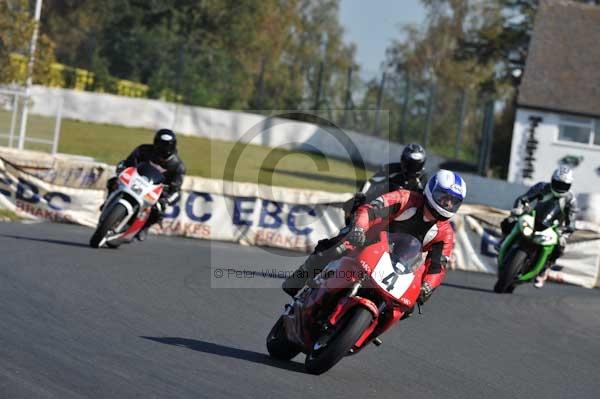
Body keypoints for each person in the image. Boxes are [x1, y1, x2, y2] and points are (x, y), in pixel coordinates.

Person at [282, 169, 466, 305]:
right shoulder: (405, 198)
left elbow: (437, 266)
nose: (447, 203)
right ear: (431, 190)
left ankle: (371, 323)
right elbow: (372, 210)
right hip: (367, 239)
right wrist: (359, 229)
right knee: (336, 246)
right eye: (443, 197)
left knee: (409, 305)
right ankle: (299, 279)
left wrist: (428, 286)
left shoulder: (446, 232)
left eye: (453, 201)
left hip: (401, 262)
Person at [500, 165, 577, 288]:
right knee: (509, 221)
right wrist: (519, 209)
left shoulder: (570, 200)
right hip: (533, 217)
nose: (560, 187)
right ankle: (503, 240)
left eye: (564, 186)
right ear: (552, 180)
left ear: (569, 185)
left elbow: (571, 221)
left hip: (553, 227)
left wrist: (565, 233)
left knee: (560, 247)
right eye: (558, 183)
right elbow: (523, 198)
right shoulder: (542, 187)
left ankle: (544, 270)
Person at [105, 128, 186, 240]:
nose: (163, 148)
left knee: (158, 209)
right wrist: (122, 168)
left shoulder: (178, 166)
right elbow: (128, 162)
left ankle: (144, 227)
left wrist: (165, 199)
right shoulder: (143, 150)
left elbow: (176, 189)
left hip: (156, 190)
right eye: (160, 144)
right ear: (155, 142)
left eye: (166, 145)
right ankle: (107, 203)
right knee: (113, 182)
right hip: (136, 179)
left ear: (172, 146)